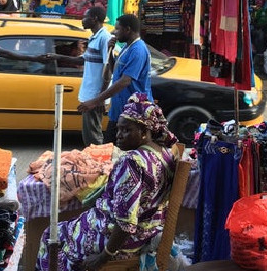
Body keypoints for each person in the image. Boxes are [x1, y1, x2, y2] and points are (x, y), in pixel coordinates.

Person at [36, 93, 177, 271]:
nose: (118, 135)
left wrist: (103, 257)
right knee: (64, 227)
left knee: (52, 237)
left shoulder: (132, 163)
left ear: (144, 132)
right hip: (147, 231)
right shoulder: (164, 154)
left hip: (121, 241)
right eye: (118, 129)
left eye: (126, 130)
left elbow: (126, 223)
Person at [78, 14, 152, 144]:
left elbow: (125, 81)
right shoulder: (126, 47)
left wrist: (96, 101)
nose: (114, 33)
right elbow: (115, 71)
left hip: (132, 112)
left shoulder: (138, 50)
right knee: (110, 149)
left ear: (127, 30)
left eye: (117, 29)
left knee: (113, 147)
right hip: (120, 110)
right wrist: (110, 51)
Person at [43, 7, 112, 146]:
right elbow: (82, 60)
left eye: (85, 17)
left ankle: (99, 164)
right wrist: (57, 56)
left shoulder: (104, 38)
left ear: (95, 19)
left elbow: (108, 68)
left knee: (93, 137)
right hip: (89, 95)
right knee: (88, 135)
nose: (82, 20)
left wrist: (99, 98)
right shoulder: (93, 37)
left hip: (94, 96)